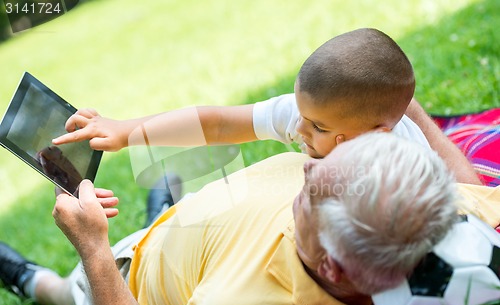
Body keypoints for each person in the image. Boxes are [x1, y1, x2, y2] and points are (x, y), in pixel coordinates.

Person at [1, 132, 460, 305]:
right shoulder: (425, 204)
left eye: (308, 194)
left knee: (69, 289)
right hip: (199, 235)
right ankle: (162, 207)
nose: (305, 166)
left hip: (133, 278)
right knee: (171, 204)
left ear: (333, 268)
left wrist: (94, 248)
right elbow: (470, 193)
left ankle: (27, 277)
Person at [52, 28, 481, 185]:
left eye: (316, 126)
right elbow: (217, 123)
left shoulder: (403, 172)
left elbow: (472, 205)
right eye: (301, 113)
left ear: (374, 137)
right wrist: (128, 132)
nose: (299, 130)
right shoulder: (307, 115)